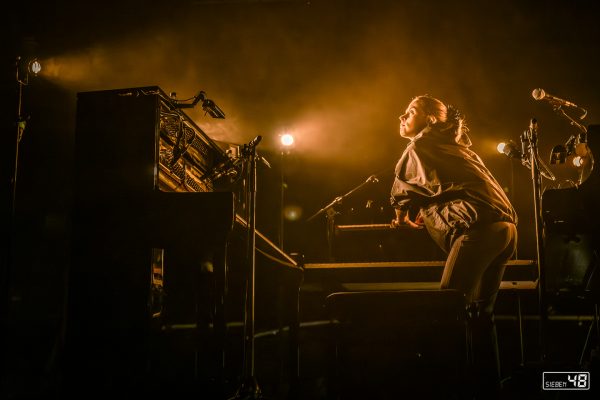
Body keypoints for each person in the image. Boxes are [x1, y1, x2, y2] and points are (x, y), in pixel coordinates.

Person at [390, 94, 518, 397]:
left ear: (430, 120)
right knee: (478, 317)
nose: (401, 117)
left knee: (446, 309)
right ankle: (487, 386)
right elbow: (450, 186)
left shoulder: (419, 146)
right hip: (506, 230)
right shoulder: (457, 147)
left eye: (410, 112)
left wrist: (400, 217)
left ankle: (446, 388)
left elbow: (403, 190)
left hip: (479, 233)